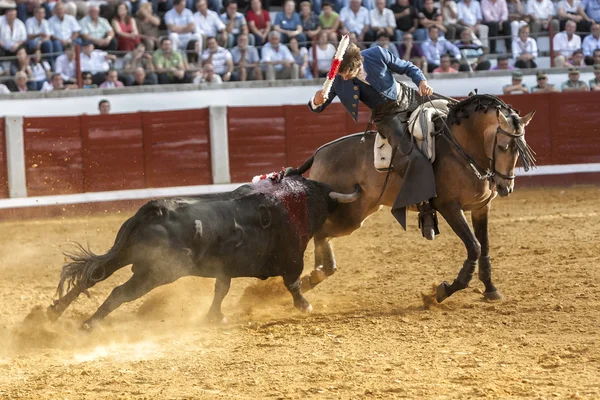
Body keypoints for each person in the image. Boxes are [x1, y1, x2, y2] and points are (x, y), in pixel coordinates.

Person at [308, 44, 438, 239]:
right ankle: (426, 210)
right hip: (386, 117)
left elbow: (408, 67)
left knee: (450, 117)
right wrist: (316, 101)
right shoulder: (337, 77)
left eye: (348, 73)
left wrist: (421, 81)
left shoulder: (376, 54)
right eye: (341, 74)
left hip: (409, 98)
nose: (344, 78)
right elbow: (318, 106)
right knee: (407, 155)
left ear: (358, 63)